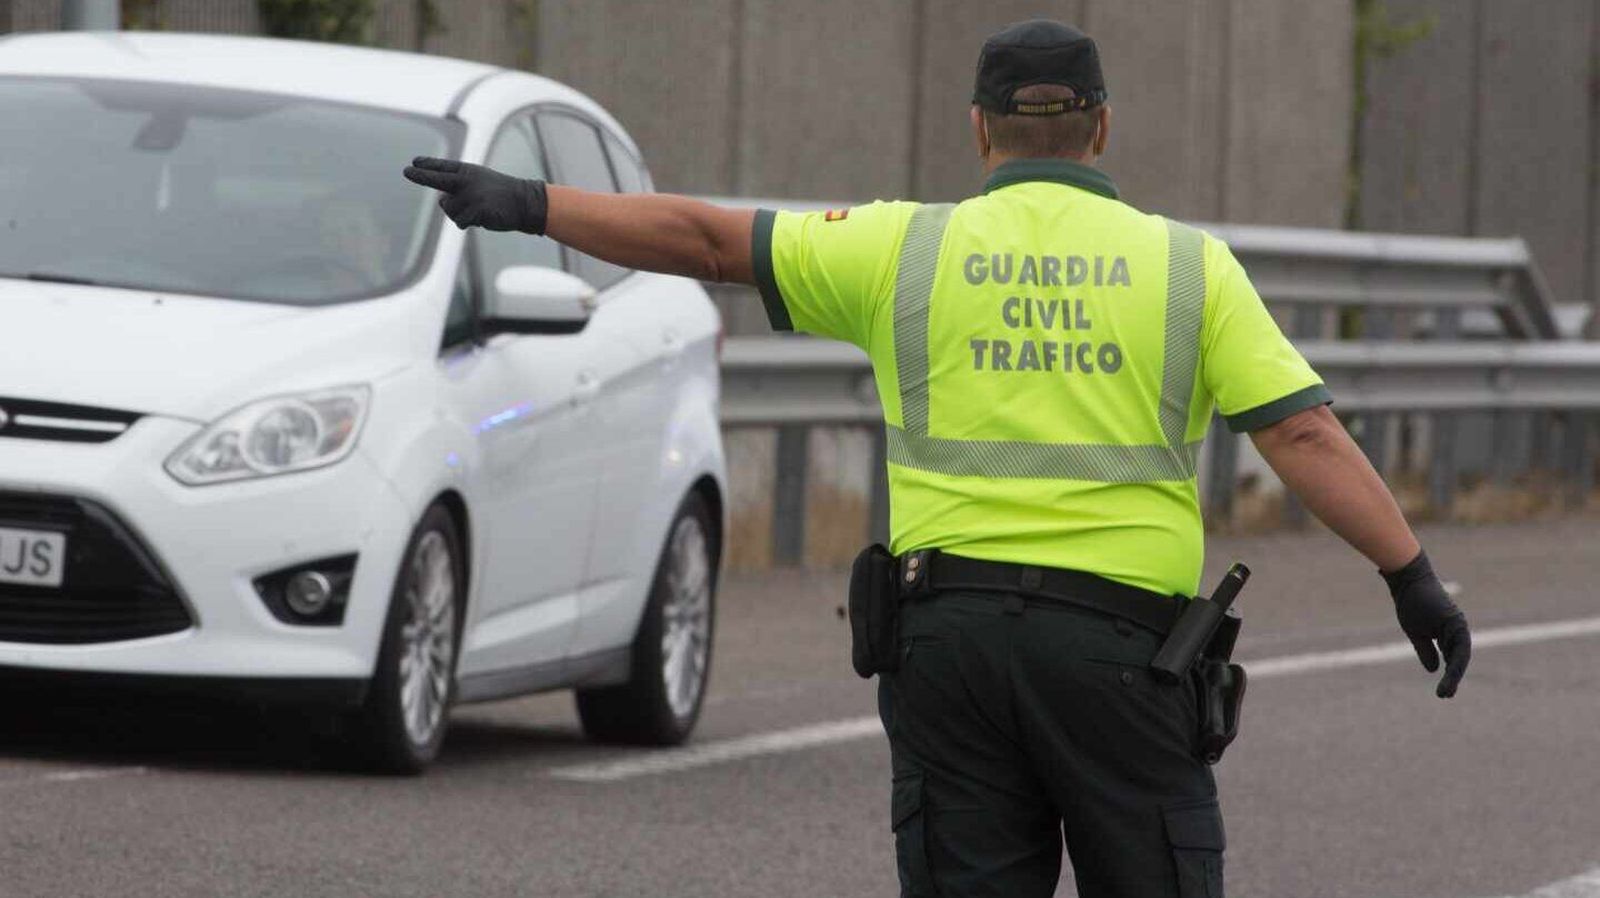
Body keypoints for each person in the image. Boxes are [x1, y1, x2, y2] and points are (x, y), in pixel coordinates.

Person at [403, 18, 1470, 897]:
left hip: (946, 645)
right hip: (1125, 660)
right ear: (1102, 126)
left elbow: (708, 239)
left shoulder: (901, 246)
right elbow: (1301, 433)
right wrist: (1409, 576)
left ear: (978, 129)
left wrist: (529, 204)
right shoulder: (1189, 267)